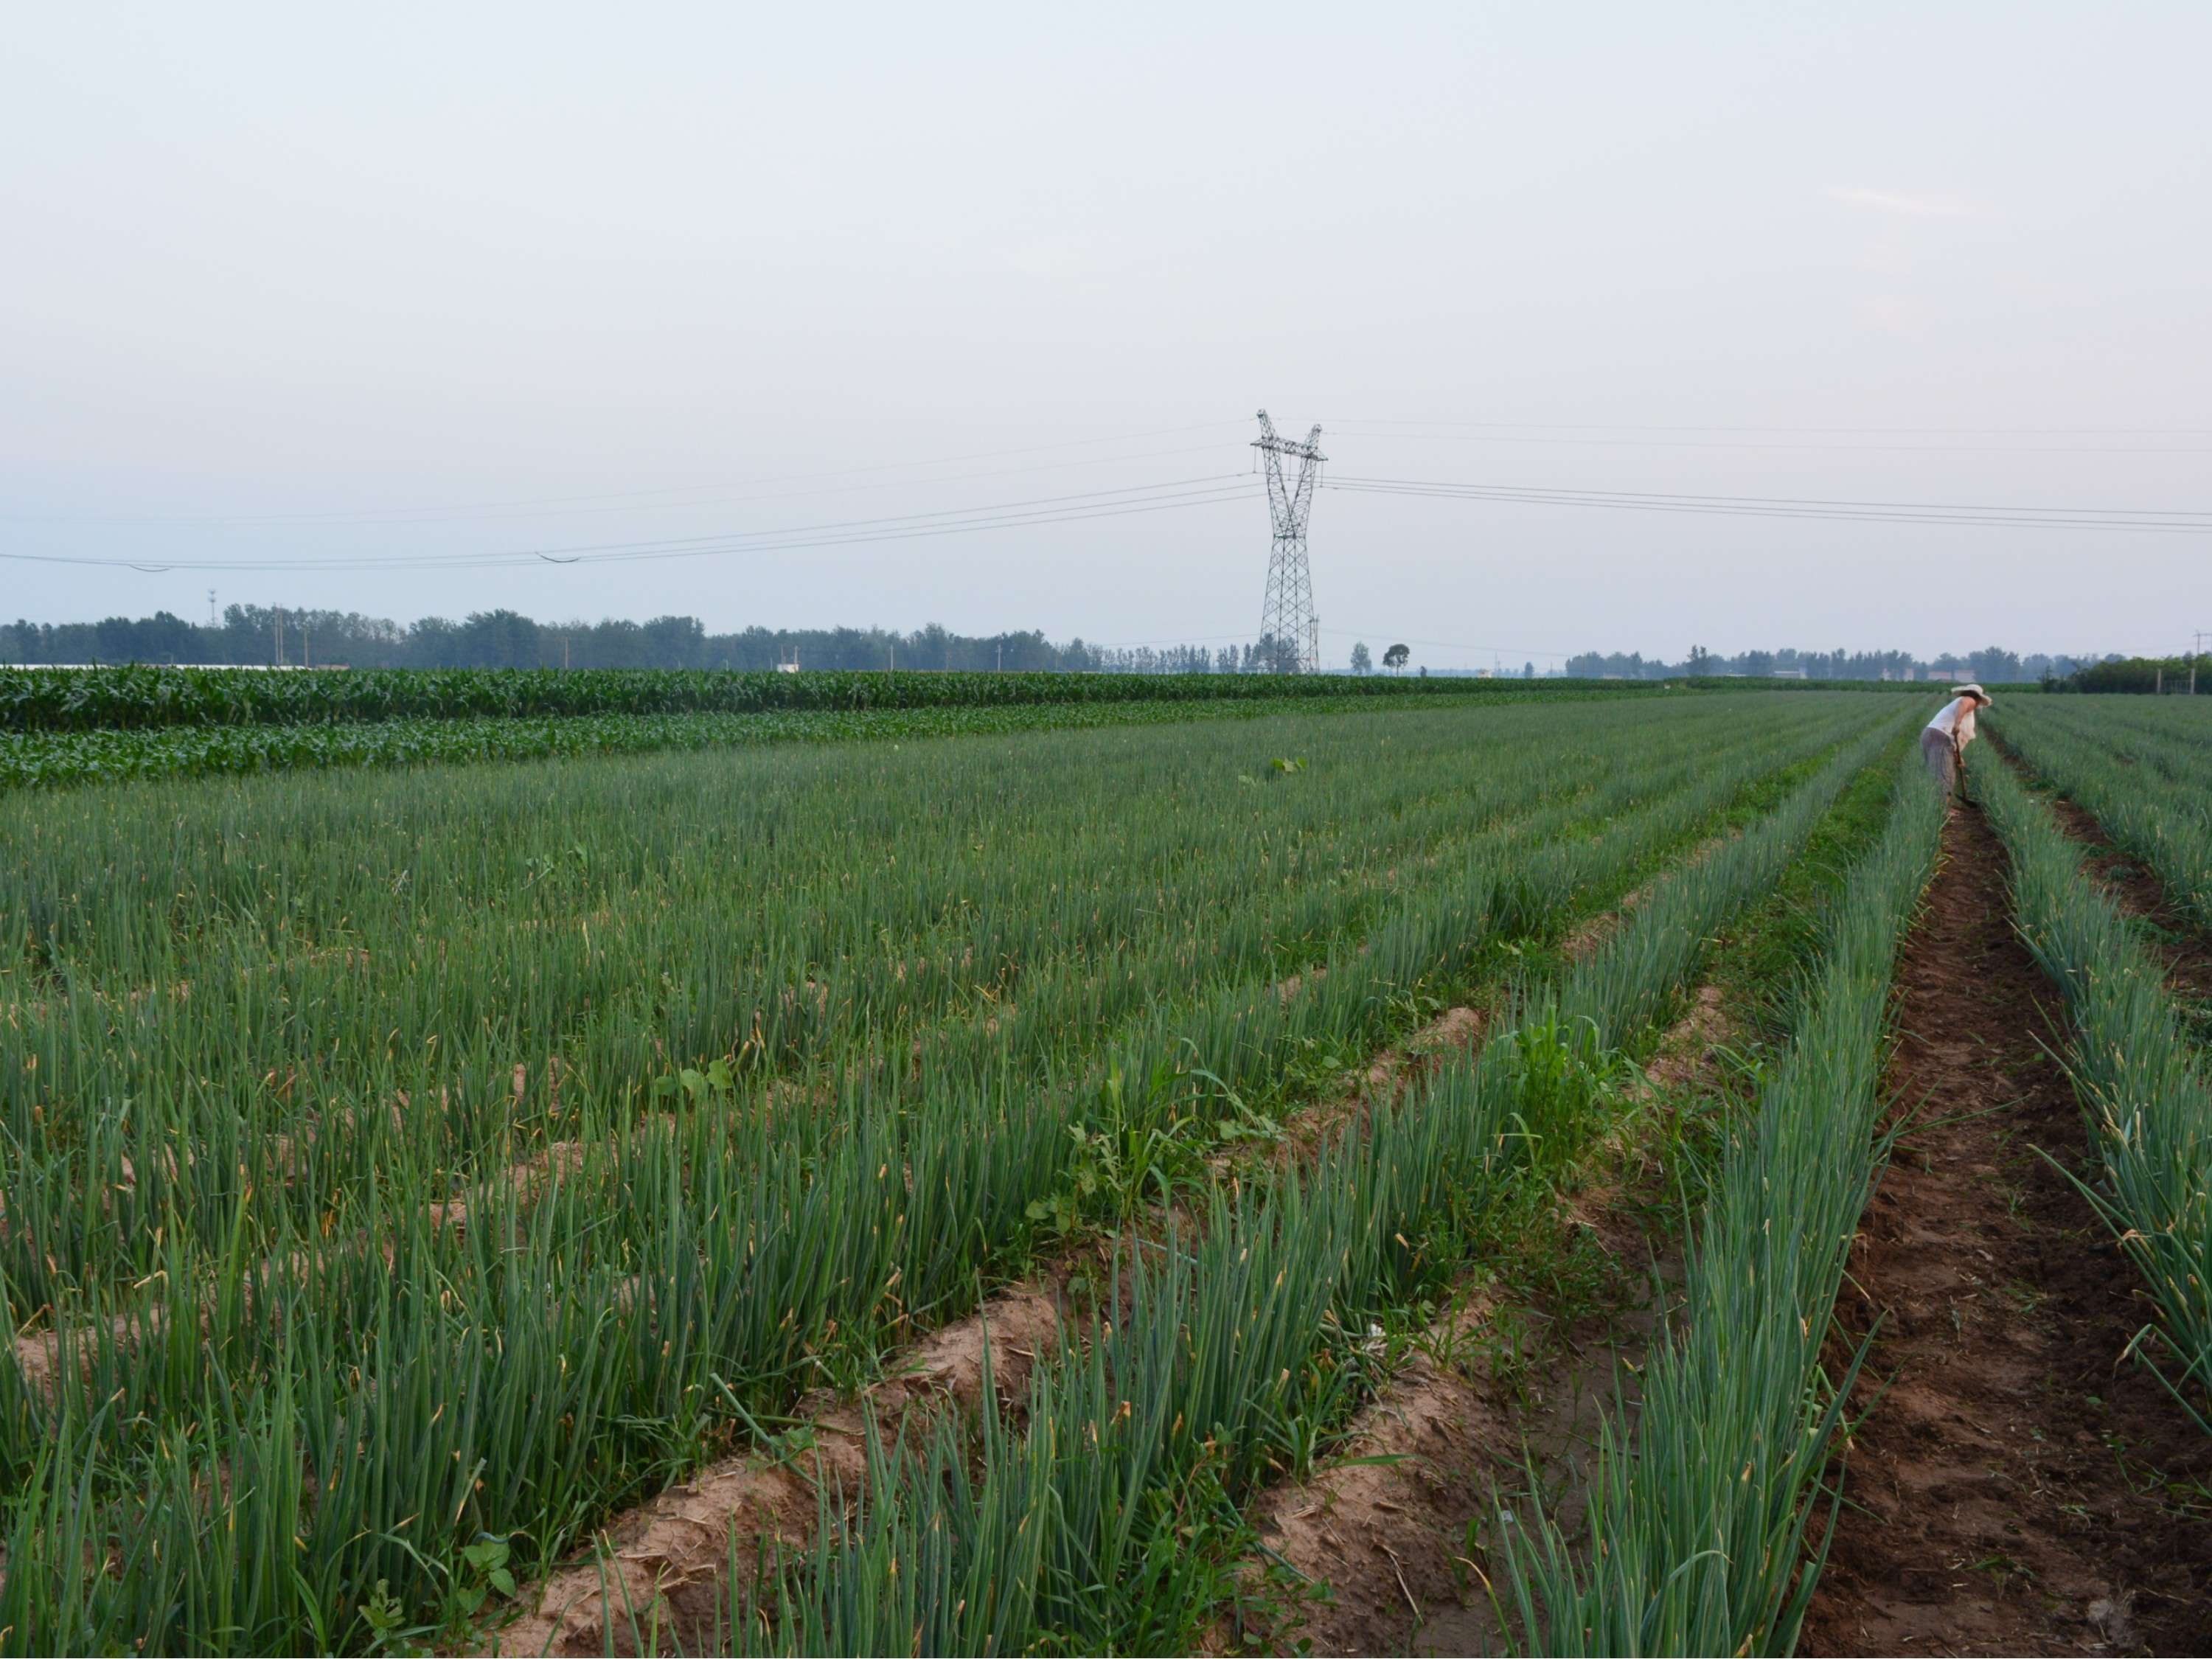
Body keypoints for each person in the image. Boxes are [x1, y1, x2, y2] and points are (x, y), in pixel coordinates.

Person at [1922, 683, 1992, 792]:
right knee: (1945, 777)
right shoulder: (1969, 700)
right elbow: (1963, 703)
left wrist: (1958, 757)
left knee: (1936, 773)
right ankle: (1942, 806)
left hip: (1932, 734)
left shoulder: (1961, 704)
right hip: (1941, 736)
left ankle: (1935, 803)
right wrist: (1957, 724)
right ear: (1978, 699)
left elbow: (1953, 739)